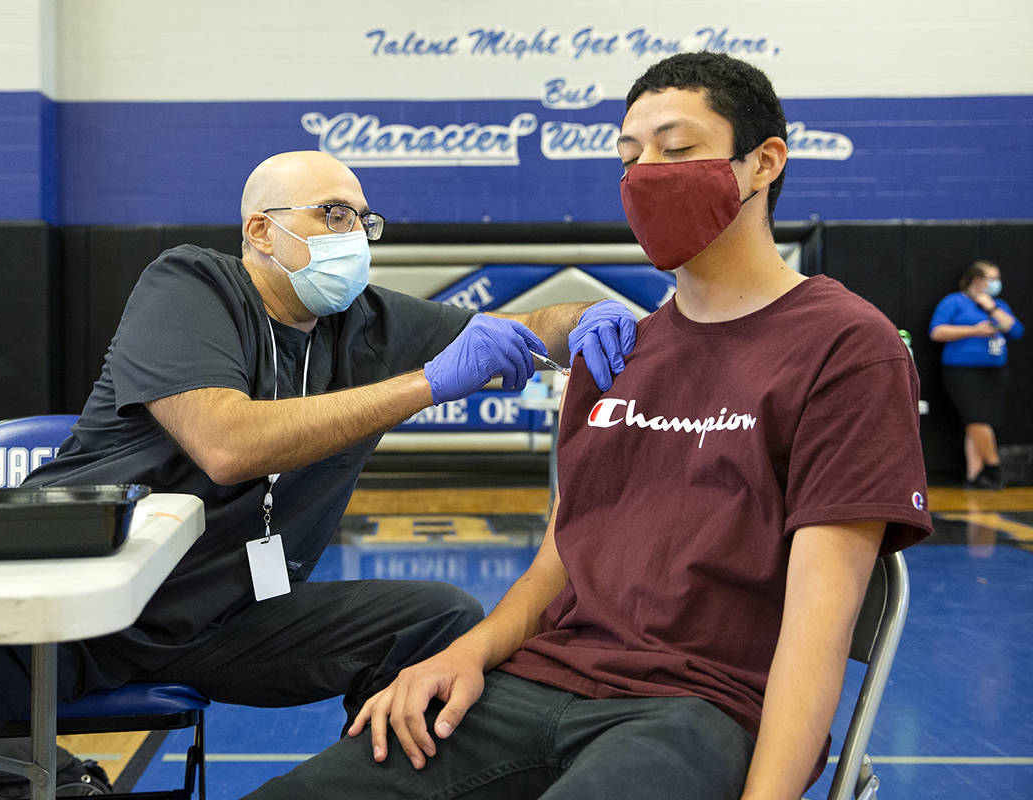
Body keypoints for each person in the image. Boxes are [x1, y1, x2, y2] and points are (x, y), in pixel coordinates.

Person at [0, 150, 638, 799]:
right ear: (260, 231)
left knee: (438, 620)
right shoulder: (190, 285)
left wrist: (584, 320)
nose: (354, 231)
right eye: (332, 214)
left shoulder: (371, 323)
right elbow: (226, 443)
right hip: (83, 607)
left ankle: (388, 788)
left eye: (364, 217)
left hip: (227, 618)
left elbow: (530, 326)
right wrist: (426, 384)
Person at [242, 53, 933, 800]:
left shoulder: (846, 348)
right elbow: (556, 565)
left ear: (763, 162)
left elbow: (816, 630)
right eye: (629, 156)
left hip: (696, 710)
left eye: (677, 150)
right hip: (533, 687)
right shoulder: (618, 351)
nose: (646, 174)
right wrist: (464, 655)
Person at [929, 260, 1024, 489]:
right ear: (977, 280)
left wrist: (991, 308)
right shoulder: (954, 302)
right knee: (976, 419)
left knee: (978, 423)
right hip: (962, 372)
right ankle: (994, 469)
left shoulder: (997, 304)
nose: (996, 283)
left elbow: (1016, 330)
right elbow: (937, 331)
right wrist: (974, 330)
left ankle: (975, 475)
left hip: (993, 371)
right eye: (992, 278)